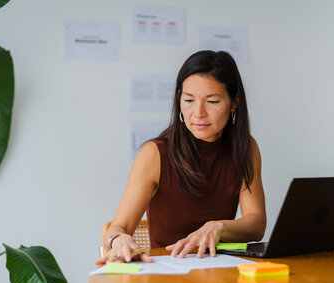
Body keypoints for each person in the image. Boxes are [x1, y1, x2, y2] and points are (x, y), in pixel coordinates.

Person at [97, 50, 266, 264]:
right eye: (188, 100)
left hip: (220, 272)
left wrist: (218, 227)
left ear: (234, 103)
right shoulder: (155, 154)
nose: (198, 113)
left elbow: (256, 224)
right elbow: (118, 228)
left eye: (212, 101)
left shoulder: (245, 148)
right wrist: (118, 239)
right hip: (167, 274)